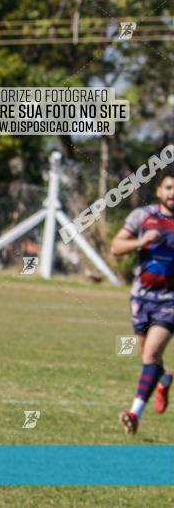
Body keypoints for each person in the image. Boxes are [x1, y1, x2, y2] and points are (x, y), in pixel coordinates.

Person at [112, 170, 174, 434]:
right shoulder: (142, 217)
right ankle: (164, 379)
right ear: (159, 191)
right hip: (141, 298)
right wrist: (141, 241)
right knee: (148, 358)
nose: (173, 193)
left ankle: (134, 414)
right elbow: (116, 247)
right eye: (169, 187)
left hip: (170, 301)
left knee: (151, 353)